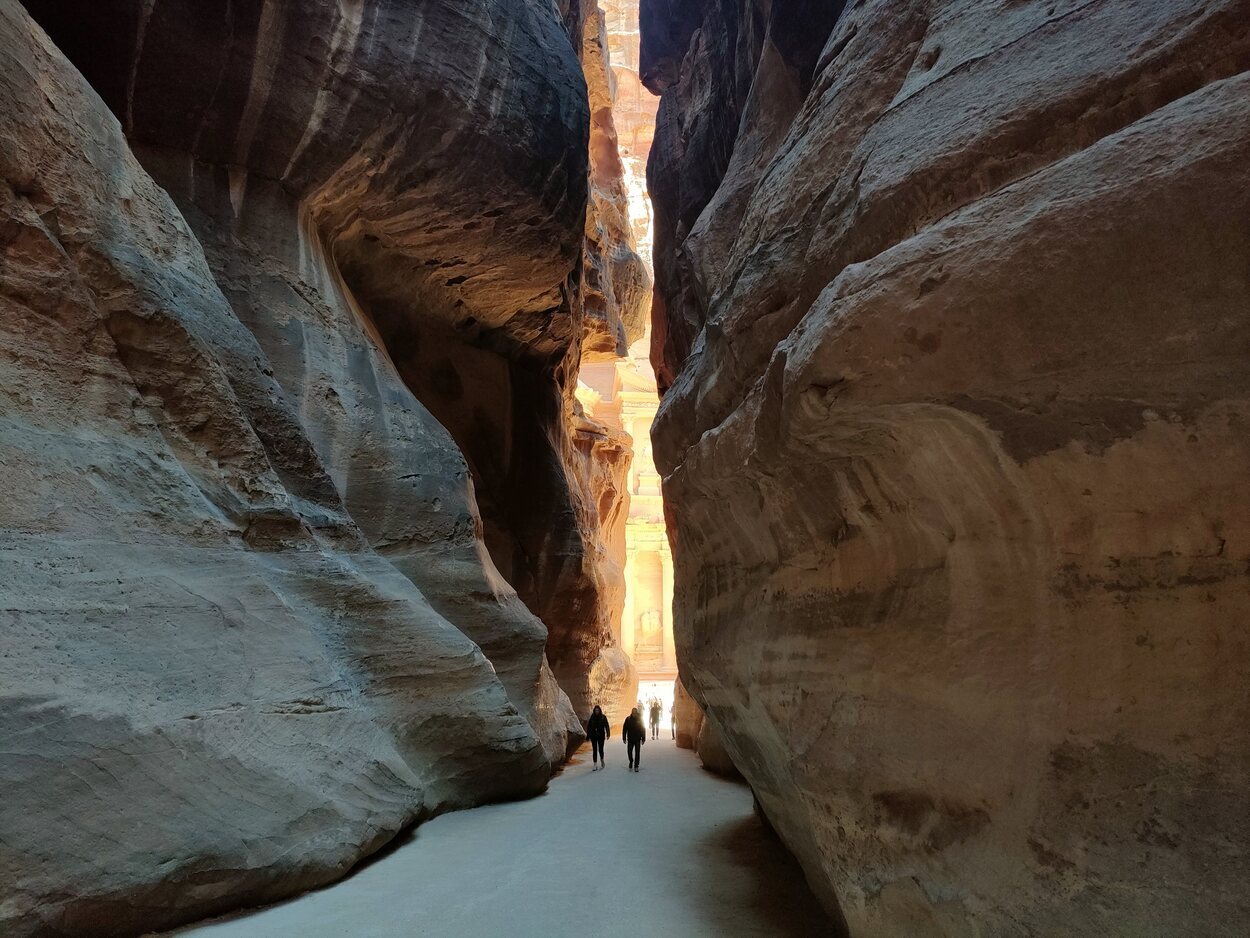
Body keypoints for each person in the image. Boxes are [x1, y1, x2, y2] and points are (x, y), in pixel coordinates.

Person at [586, 705, 610, 771]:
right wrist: (588, 736)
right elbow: (589, 727)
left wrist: (608, 733)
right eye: (596, 710)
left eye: (598, 710)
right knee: (594, 750)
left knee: (600, 749)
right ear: (594, 711)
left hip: (601, 736)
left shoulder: (603, 717)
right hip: (593, 736)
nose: (597, 711)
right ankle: (595, 764)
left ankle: (602, 759)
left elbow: (606, 725)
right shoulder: (592, 717)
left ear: (600, 710)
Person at [623, 707, 646, 772]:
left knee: (637, 753)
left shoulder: (640, 719)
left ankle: (636, 765)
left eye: (635, 712)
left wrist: (643, 738)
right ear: (631, 712)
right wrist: (624, 738)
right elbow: (625, 729)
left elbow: (643, 729)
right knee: (629, 752)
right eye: (633, 712)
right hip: (630, 738)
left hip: (637, 738)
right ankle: (631, 761)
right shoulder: (628, 719)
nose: (634, 713)